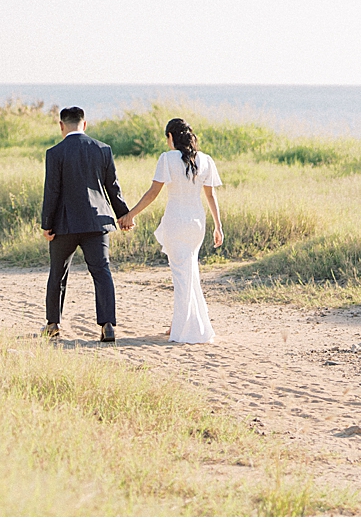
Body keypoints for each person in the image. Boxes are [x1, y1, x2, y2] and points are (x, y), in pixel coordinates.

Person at [119, 117, 223, 344]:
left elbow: (153, 193)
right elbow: (210, 195)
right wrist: (218, 226)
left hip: (176, 222)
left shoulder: (167, 159)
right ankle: (184, 323)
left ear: (170, 137)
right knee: (190, 272)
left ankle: (185, 329)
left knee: (182, 276)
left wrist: (131, 214)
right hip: (197, 223)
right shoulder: (205, 160)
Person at [39, 106, 132, 343]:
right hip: (97, 222)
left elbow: (52, 191)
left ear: (61, 125)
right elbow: (113, 187)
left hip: (64, 224)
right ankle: (108, 326)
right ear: (85, 124)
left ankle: (52, 324)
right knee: (102, 272)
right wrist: (123, 215)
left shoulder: (55, 152)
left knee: (57, 273)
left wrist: (46, 224)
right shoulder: (103, 149)